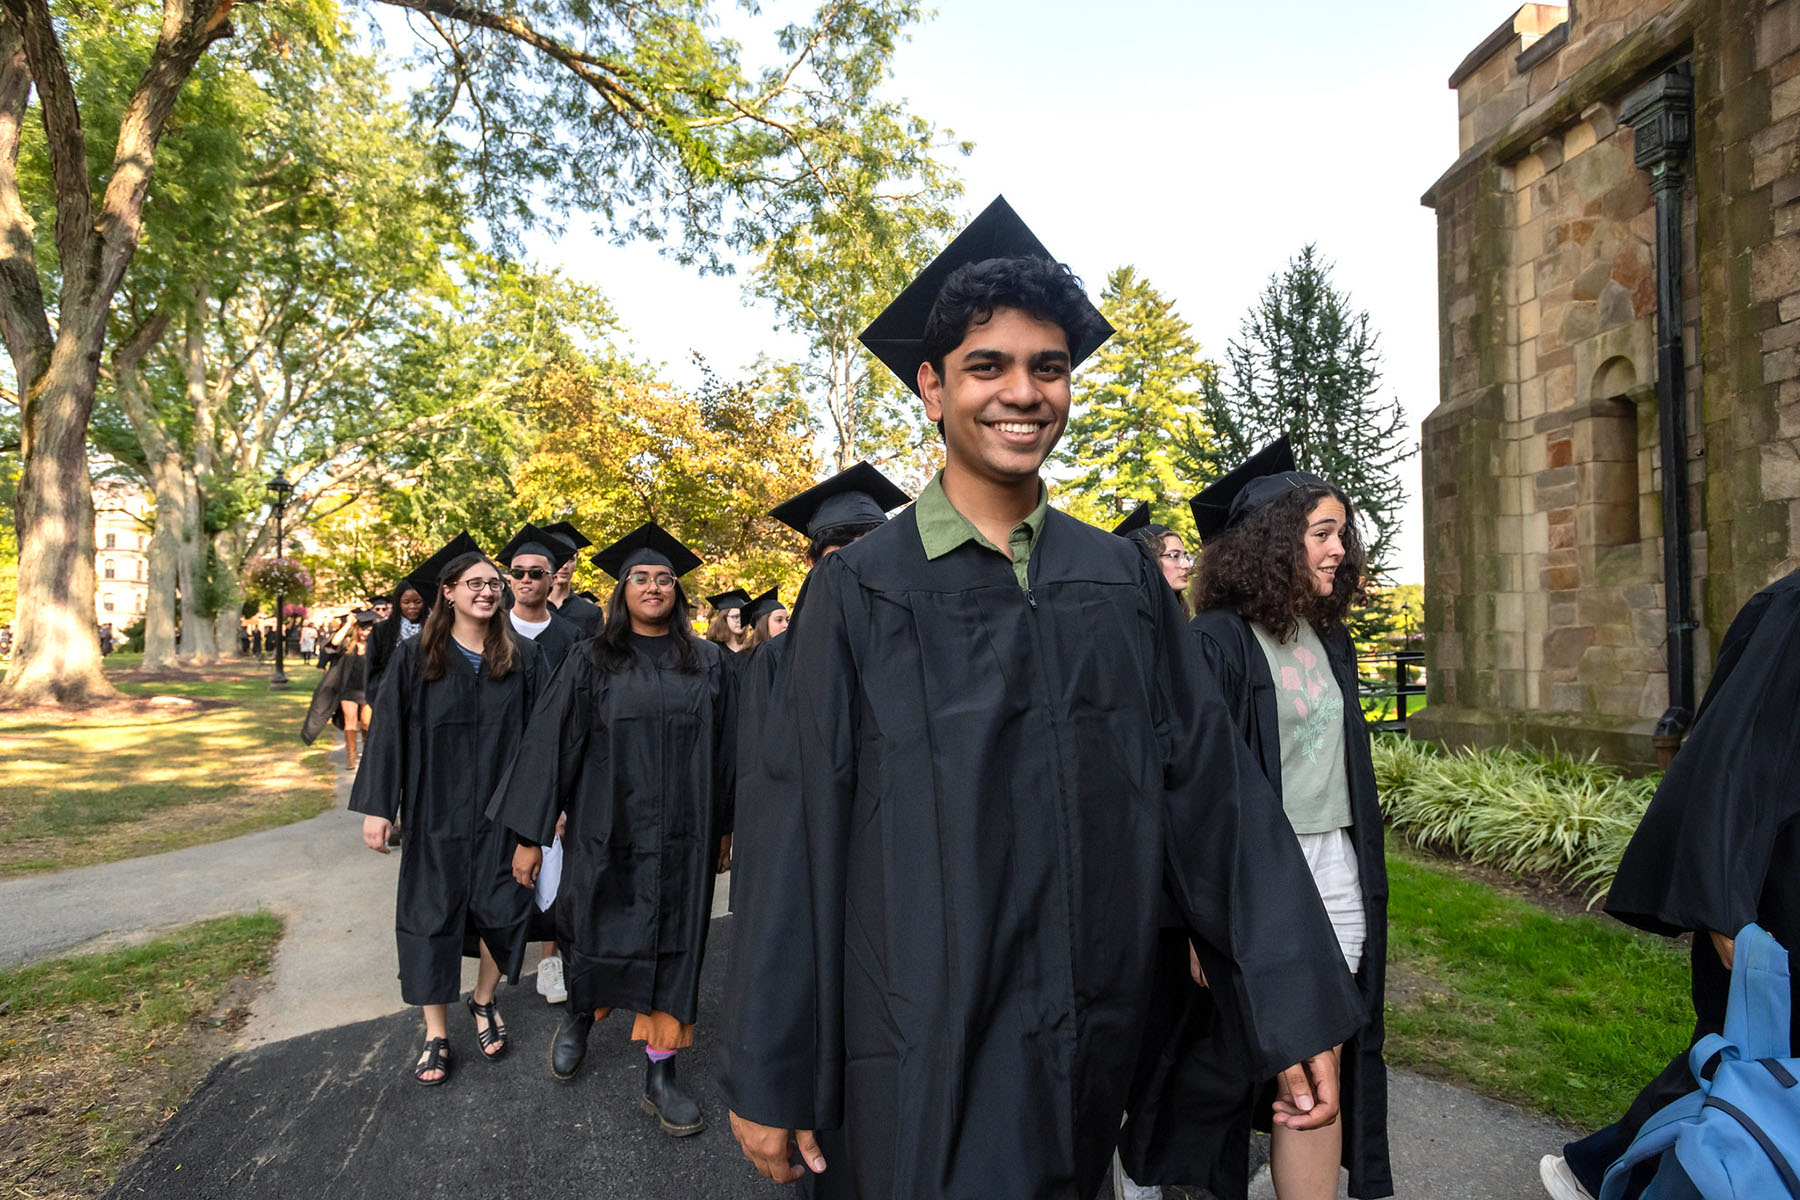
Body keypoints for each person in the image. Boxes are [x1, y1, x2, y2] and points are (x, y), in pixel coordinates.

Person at [722, 197, 1362, 1199]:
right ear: (932, 388)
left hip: (1082, 1031)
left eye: (1048, 368)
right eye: (988, 367)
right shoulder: (859, 591)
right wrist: (770, 1067)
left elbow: (1212, 795)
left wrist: (1289, 1005)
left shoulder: (1114, 583)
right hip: (917, 1037)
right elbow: (794, 831)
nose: (1022, 392)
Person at [1120, 439, 1392, 1200]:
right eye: (1323, 533)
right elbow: (1183, 789)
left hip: (1333, 870)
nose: (1341, 549)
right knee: (1217, 1062)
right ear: (1274, 543)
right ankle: (1154, 1166)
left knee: (1320, 1055)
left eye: (1343, 532)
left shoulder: (1329, 640)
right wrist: (1204, 916)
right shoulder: (1215, 643)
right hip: (1250, 879)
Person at [1540, 567, 1800, 1200]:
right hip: (1769, 895)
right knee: (1747, 1070)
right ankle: (1608, 1171)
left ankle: (1601, 1167)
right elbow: (1726, 766)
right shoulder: (1792, 614)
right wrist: (1726, 913)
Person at [491, 522, 736, 1137]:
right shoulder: (591, 658)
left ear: (677, 593)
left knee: (677, 945)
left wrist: (728, 827)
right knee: (591, 928)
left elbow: (731, 752)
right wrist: (531, 834)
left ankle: (661, 1071)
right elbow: (552, 744)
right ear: (621, 591)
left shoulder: (708, 663)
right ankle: (579, 1015)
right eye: (640, 578)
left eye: (664, 579)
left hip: (685, 836)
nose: (653, 587)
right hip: (607, 828)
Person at [349, 548, 546, 1086]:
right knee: (429, 918)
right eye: (474, 583)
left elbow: (545, 742)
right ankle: (435, 1032)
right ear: (449, 592)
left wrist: (547, 810)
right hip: (435, 813)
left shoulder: (524, 657)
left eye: (494, 583)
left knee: (502, 911)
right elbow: (386, 733)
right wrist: (377, 807)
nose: (487, 591)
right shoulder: (418, 658)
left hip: (503, 815)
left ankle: (482, 1001)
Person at [496, 522, 586, 1007]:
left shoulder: (574, 636)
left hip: (553, 767)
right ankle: (497, 971)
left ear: (555, 579)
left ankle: (551, 960)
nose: (527, 579)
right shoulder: (491, 632)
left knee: (555, 872)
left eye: (537, 572)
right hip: (496, 770)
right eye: (518, 572)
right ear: (509, 579)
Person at [1113, 502, 1194, 620]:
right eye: (1174, 556)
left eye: (1185, 557)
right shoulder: (1130, 622)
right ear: (1149, 562)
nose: (1187, 565)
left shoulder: (1178, 618)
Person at [542, 520, 605, 637]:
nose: (564, 565)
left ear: (577, 562)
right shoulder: (531, 607)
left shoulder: (590, 613)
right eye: (559, 558)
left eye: (571, 559)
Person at [704, 589, 752, 655]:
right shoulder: (713, 650)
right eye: (735, 617)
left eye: (743, 616)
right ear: (724, 619)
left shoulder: (751, 649)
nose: (740, 621)